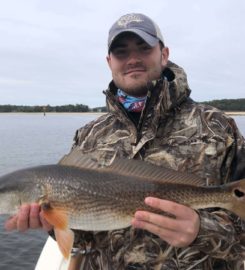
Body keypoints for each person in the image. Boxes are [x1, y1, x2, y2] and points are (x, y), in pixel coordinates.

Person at [5, 13, 245, 270]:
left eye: (144, 48)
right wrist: (52, 226)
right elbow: (84, 237)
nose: (132, 59)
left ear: (163, 54)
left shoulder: (219, 127)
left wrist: (202, 230)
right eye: (121, 52)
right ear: (109, 62)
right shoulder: (89, 136)